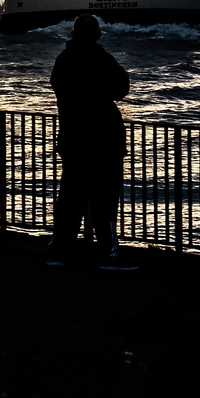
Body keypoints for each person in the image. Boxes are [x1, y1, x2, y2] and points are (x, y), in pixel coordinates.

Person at [47, 14, 136, 270]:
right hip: (103, 139)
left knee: (70, 199)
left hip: (73, 138)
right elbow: (121, 87)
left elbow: (59, 87)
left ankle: (59, 252)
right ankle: (107, 254)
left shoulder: (63, 60)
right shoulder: (100, 58)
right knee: (105, 200)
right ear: (96, 34)